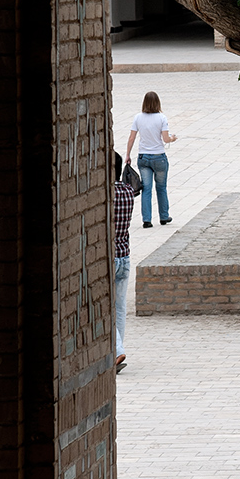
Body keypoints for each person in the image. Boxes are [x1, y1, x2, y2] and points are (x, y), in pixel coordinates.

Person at [126, 91, 176, 228]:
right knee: (161, 187)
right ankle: (164, 216)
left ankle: (147, 220)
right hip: (159, 157)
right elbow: (165, 139)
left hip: (143, 157)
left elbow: (132, 138)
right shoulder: (162, 118)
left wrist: (128, 154)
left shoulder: (138, 118)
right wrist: (172, 138)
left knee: (146, 189)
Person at [112, 150, 134, 373]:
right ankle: (118, 350)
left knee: (107, 308)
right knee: (119, 308)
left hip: (109, 257)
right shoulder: (127, 191)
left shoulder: (104, 194)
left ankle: (117, 351)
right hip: (124, 255)